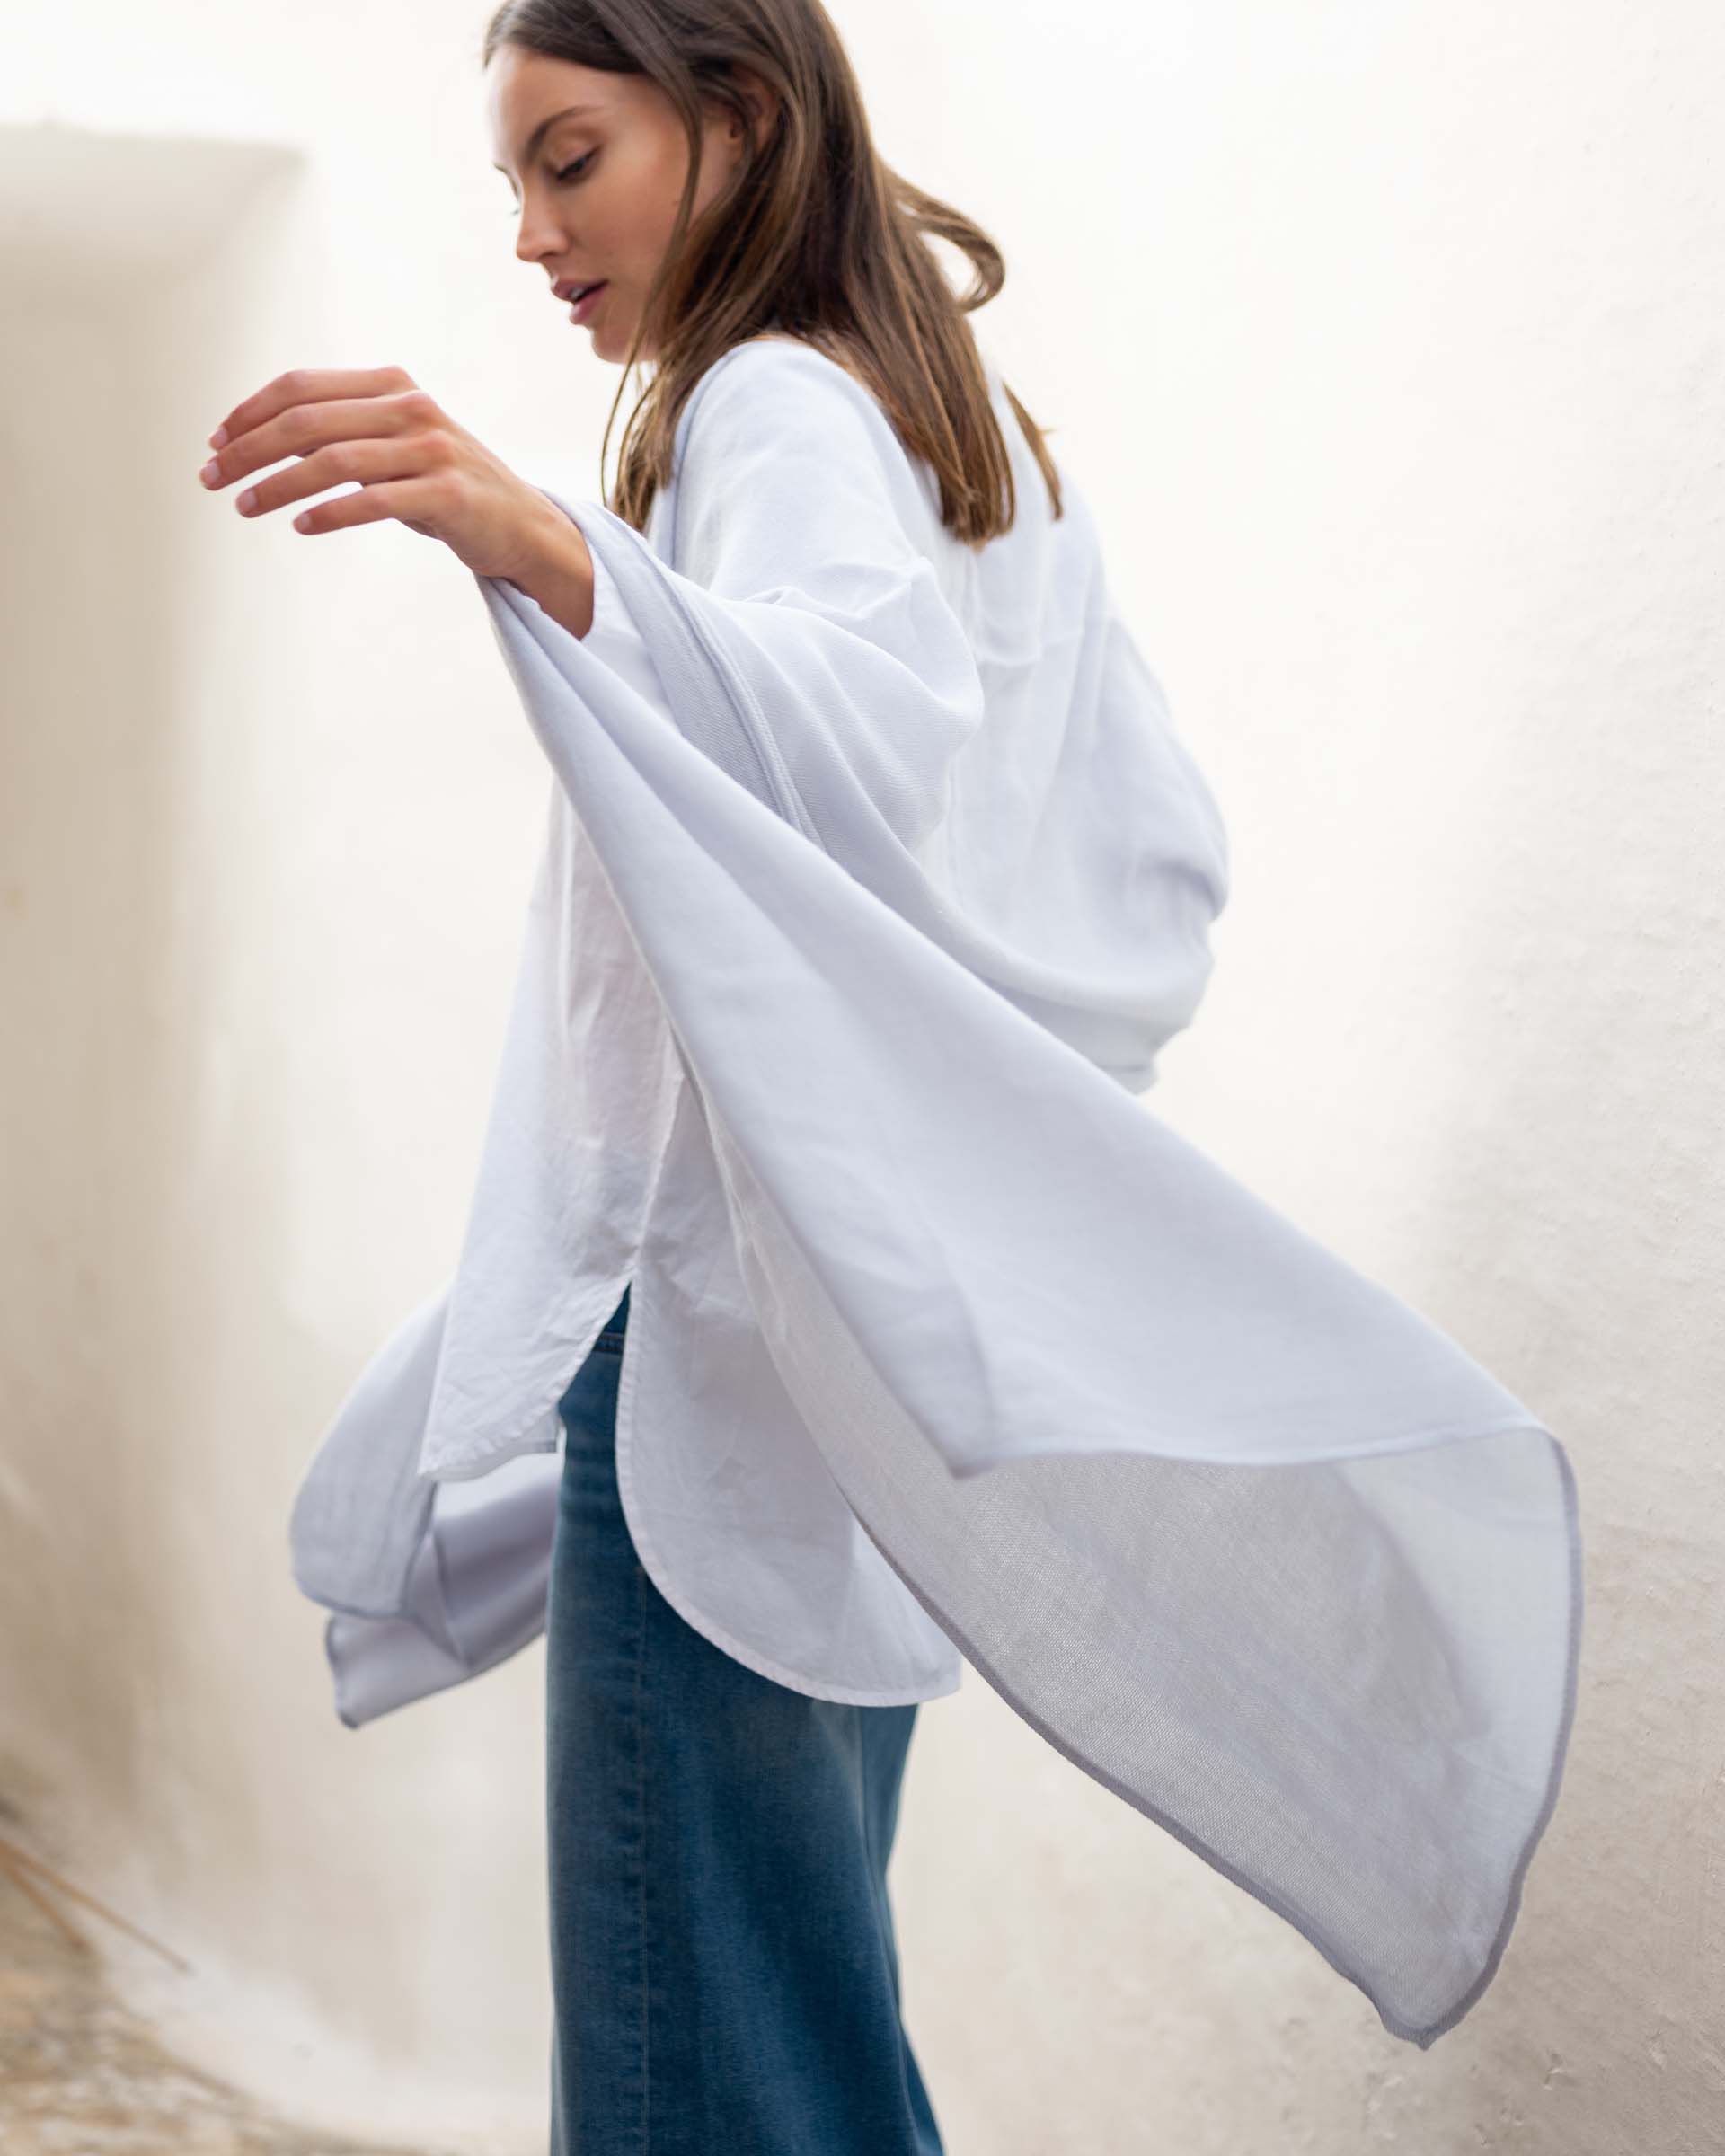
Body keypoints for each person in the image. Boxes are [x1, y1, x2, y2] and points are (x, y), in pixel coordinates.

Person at [205, 0, 1583, 2139]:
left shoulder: (763, 399)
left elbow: (859, 733)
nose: (532, 233)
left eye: (572, 161)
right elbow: (1146, 865)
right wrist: (965, 1180)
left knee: (706, 2066)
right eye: (511, 185)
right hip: (878, 1378)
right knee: (793, 2028)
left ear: (737, 120)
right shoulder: (975, 435)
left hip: (731, 1369)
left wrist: (543, 539)